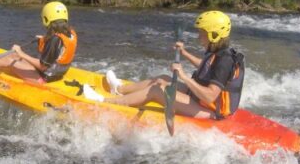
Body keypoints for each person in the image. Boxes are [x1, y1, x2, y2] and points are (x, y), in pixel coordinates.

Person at [83, 11, 245, 120]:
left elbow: (210, 95)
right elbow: (207, 67)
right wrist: (185, 53)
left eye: (202, 33)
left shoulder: (225, 60)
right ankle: (119, 89)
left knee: (158, 90)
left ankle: (105, 102)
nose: (198, 36)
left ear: (213, 35)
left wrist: (183, 77)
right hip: (200, 100)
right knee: (162, 79)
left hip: (211, 111)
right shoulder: (218, 51)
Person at [0, 1, 78, 83]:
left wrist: (21, 53)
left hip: (43, 79)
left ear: (47, 18)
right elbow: (59, 50)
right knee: (13, 55)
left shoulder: (55, 39)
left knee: (12, 60)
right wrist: (43, 40)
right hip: (55, 75)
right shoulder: (70, 33)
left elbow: (43, 66)